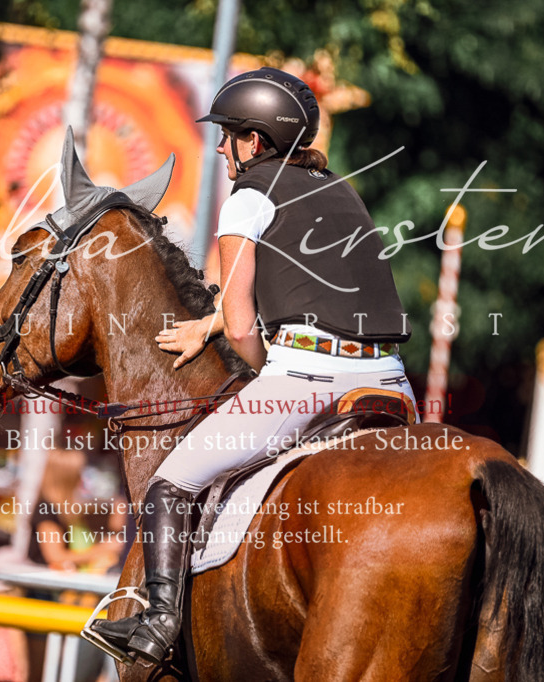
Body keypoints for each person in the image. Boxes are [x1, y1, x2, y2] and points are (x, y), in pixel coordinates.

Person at [89, 67, 416, 664]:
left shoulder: (247, 198)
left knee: (171, 481)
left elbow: (243, 324)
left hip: (308, 382)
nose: (221, 147)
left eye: (229, 134)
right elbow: (313, 289)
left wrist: (256, 366)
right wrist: (209, 322)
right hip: (392, 381)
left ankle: (157, 624)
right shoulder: (342, 189)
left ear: (256, 141)